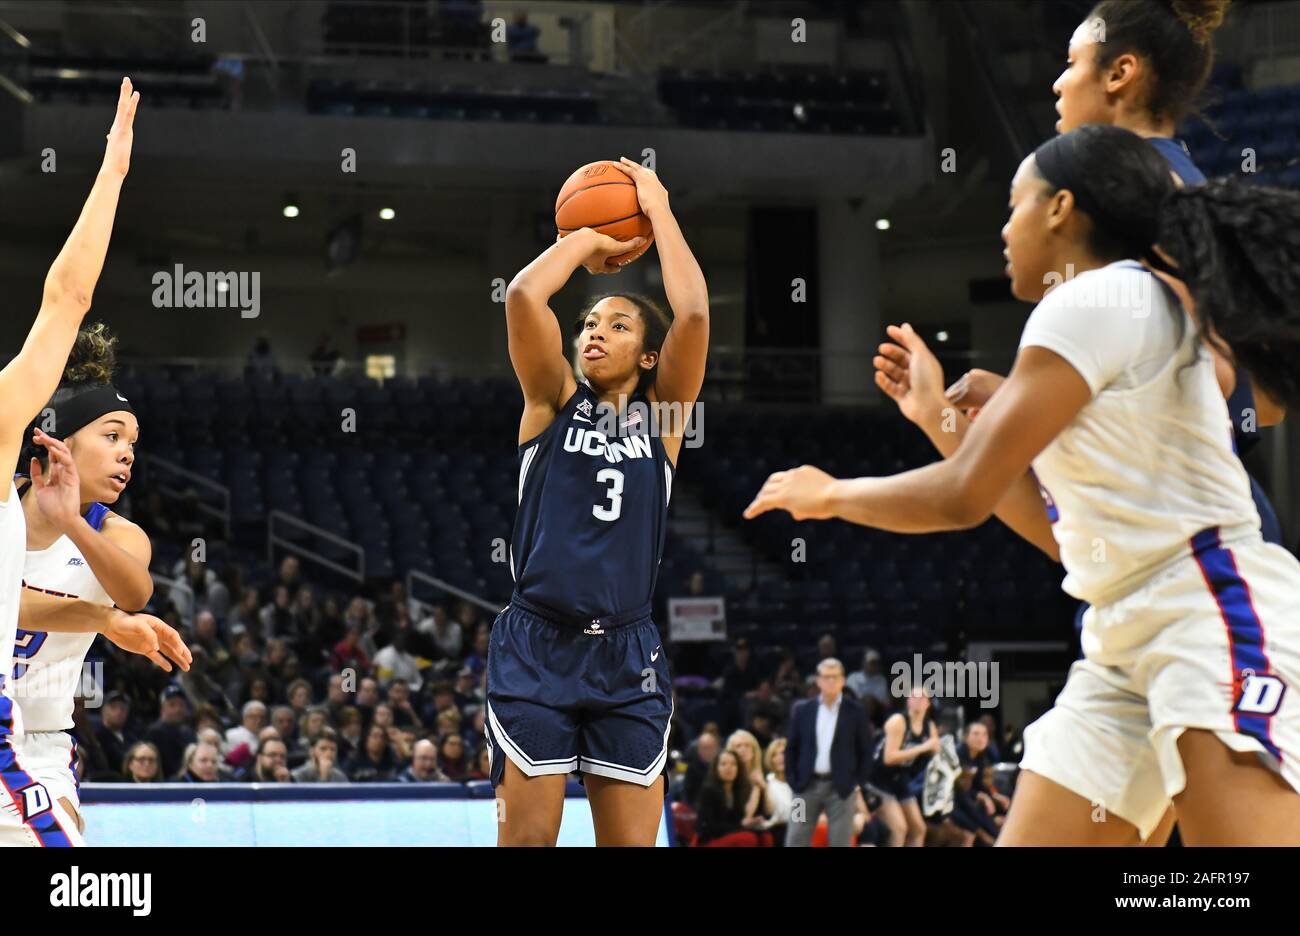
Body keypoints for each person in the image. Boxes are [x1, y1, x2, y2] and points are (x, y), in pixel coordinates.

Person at [745, 121, 1300, 845]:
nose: (1004, 227)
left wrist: (829, 495)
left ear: (1062, 209)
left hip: (1209, 615)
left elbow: (960, 496)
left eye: (1015, 204)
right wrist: (939, 417)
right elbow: (1052, 524)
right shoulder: (1131, 305)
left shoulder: (1093, 302)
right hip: (1123, 636)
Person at [488, 158, 709, 846]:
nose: (593, 331)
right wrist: (588, 240)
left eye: (616, 325)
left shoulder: (666, 421)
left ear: (650, 357)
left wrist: (659, 211)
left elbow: (695, 312)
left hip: (627, 654)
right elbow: (525, 297)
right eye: (587, 321)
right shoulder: (551, 400)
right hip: (536, 645)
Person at [783, 658, 874, 847]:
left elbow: (866, 751)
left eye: (835, 677)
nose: (830, 681)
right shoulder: (802, 710)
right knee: (794, 840)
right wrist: (793, 780)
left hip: (841, 789)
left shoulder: (856, 711)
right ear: (818, 680)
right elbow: (791, 748)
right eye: (826, 677)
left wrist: (856, 783)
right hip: (804, 787)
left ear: (842, 680)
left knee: (841, 842)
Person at [868, 688, 938, 847]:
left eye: (922, 698)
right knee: (899, 828)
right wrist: (923, 747)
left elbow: (935, 750)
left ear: (928, 703)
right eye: (914, 697)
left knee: (919, 829)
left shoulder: (929, 725)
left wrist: (935, 750)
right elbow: (889, 758)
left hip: (900, 780)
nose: (918, 700)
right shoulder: (898, 721)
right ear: (908, 700)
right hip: (878, 779)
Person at [693, 749, 770, 847]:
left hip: (731, 833)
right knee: (747, 838)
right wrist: (741, 826)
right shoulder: (708, 791)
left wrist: (752, 823)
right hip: (710, 839)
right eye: (723, 764)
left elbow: (740, 820)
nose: (728, 768)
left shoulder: (738, 790)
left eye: (733, 764)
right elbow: (708, 827)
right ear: (716, 768)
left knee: (765, 836)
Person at [763, 737, 793, 847]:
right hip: (775, 831)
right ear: (770, 760)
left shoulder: (798, 784)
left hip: (796, 828)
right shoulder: (767, 783)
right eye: (775, 755)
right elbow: (769, 815)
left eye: (783, 753)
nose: (780, 758)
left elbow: (800, 817)